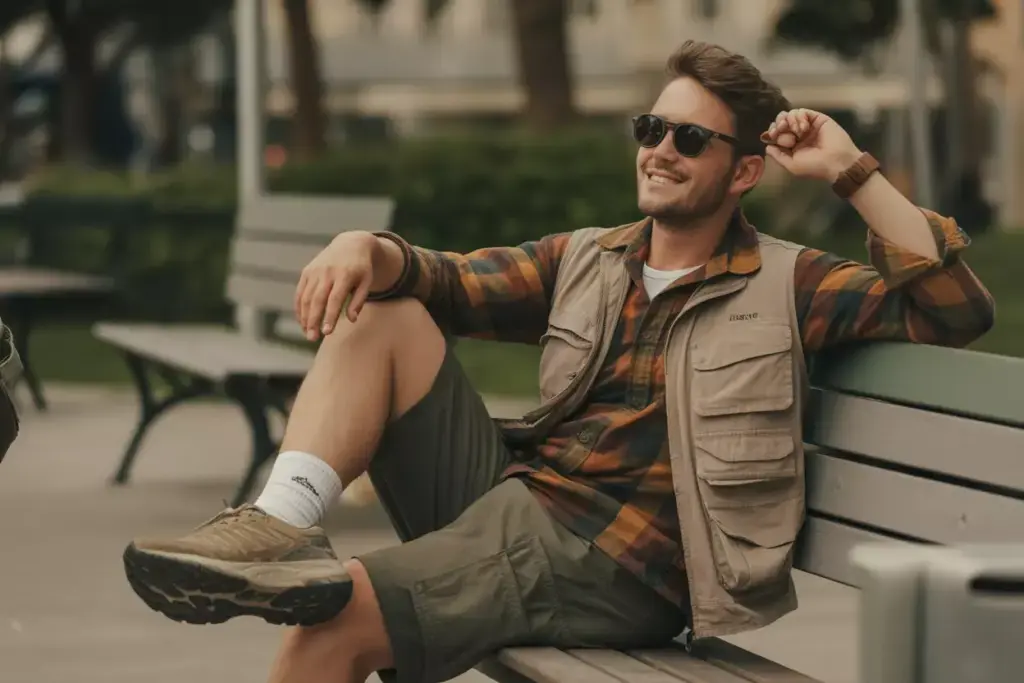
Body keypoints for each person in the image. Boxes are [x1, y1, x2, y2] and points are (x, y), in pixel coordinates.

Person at [121, 41, 995, 683]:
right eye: (653, 127)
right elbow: (447, 280)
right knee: (387, 312)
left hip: (617, 564)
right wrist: (365, 246)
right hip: (522, 502)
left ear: (744, 172)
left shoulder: (790, 281)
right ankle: (280, 522)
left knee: (334, 622)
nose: (660, 149)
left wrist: (848, 170)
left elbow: (952, 310)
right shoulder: (591, 256)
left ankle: (310, 564)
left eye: (691, 140)